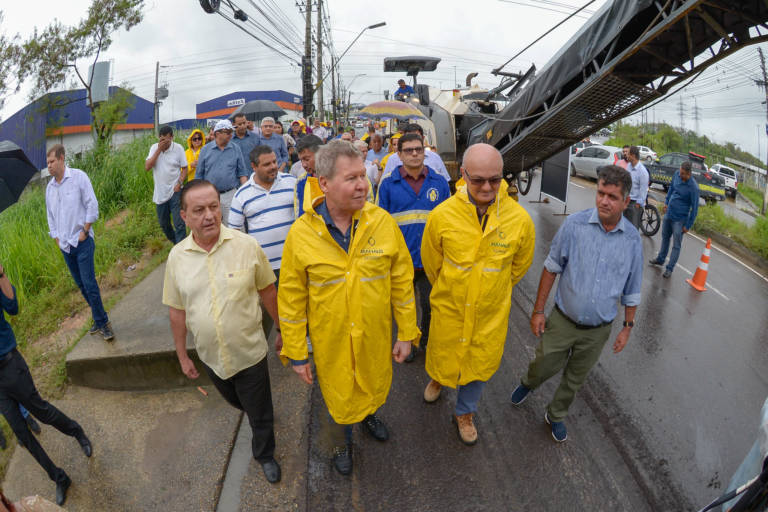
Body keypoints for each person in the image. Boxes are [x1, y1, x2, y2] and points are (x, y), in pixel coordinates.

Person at [278, 140, 420, 475]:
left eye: (362, 176)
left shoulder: (381, 223)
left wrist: (406, 332)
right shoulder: (302, 235)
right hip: (332, 342)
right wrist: (297, 352)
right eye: (351, 178)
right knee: (338, 393)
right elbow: (291, 299)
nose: (362, 184)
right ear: (324, 183)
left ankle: (369, 415)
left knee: (371, 381)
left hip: (373, 335)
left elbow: (401, 282)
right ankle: (342, 441)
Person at [510, 165, 642, 443]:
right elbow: (551, 267)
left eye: (613, 197)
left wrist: (627, 327)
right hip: (563, 320)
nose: (605, 201)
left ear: (625, 201)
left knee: (575, 379)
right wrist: (538, 311)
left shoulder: (632, 240)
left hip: (598, 331)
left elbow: (632, 289)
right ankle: (528, 383)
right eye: (601, 193)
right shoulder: (575, 226)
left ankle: (555, 415)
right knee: (544, 363)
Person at [163, 179, 282, 484]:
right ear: (184, 216)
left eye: (214, 207)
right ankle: (259, 415)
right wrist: (182, 356)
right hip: (211, 357)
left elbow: (268, 290)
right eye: (199, 210)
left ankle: (265, 453)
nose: (209, 216)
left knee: (259, 411)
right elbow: (177, 311)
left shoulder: (246, 246)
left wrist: (284, 330)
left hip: (250, 352)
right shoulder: (177, 258)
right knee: (236, 401)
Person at [420, 144, 535, 445]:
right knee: (443, 352)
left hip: (489, 312)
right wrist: (452, 287)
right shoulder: (442, 216)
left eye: (495, 180)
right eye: (478, 180)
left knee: (478, 363)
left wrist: (491, 290)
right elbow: (432, 265)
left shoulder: (519, 220)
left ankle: (465, 412)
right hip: (450, 307)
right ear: (463, 175)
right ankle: (438, 378)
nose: (487, 187)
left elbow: (519, 266)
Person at [0, 262, 92, 505]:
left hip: (10, 366)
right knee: (22, 433)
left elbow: (12, 307)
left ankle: (77, 431)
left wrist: (0, 274)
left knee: (41, 411)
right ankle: (59, 477)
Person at [376, 133, 451, 363]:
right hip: (401, 260)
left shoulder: (438, 183)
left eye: (419, 149)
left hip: (431, 260)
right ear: (399, 155)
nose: (415, 153)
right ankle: (406, 338)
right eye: (408, 150)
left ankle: (425, 342)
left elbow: (449, 222)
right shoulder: (388, 185)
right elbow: (381, 224)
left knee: (430, 305)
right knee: (402, 305)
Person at [45, 145, 113, 341]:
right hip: (66, 246)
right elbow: (50, 216)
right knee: (81, 285)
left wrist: (85, 230)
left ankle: (104, 323)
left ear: (62, 158)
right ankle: (98, 318)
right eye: (47, 163)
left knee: (90, 284)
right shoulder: (49, 188)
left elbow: (92, 204)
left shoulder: (78, 177)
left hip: (82, 241)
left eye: (52, 162)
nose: (49, 166)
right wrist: (57, 238)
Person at [229, 145, 297, 283]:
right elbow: (234, 233)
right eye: (267, 164)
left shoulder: (292, 183)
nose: (273, 166)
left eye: (274, 162)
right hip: (264, 268)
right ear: (254, 166)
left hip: (294, 262)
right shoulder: (242, 195)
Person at [649, 160, 699, 278]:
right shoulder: (677, 174)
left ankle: (669, 269)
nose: (680, 175)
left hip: (680, 220)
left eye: (683, 174)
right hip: (669, 214)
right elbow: (671, 189)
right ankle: (660, 259)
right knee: (665, 237)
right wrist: (666, 202)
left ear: (689, 174)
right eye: (680, 172)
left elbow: (695, 209)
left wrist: (688, 225)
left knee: (676, 245)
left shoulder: (693, 188)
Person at [195, 119, 249, 226]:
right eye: (228, 132)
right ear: (217, 133)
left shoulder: (235, 149)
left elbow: (242, 173)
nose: (231, 135)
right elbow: (199, 175)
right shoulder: (205, 150)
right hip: (210, 195)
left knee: (234, 226)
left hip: (230, 195)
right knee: (213, 225)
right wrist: (198, 195)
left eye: (231, 132)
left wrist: (245, 192)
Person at [145, 125, 188, 245]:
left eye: (167, 140)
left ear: (172, 138)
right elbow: (147, 167)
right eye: (162, 139)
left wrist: (179, 183)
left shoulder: (178, 148)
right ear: (159, 138)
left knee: (179, 223)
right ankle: (177, 243)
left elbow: (184, 168)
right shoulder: (154, 148)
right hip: (160, 193)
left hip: (175, 191)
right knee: (164, 224)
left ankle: (182, 250)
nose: (164, 142)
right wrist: (159, 150)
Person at [382, 124, 450, 182]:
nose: (413, 142)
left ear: (423, 138)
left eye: (417, 137)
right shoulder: (393, 159)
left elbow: (445, 181)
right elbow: (385, 182)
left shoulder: (434, 157)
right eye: (409, 138)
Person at [293, 135, 323, 216]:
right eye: (301, 160)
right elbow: (300, 215)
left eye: (307, 159)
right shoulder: (301, 182)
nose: (304, 165)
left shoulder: (338, 176)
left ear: (321, 154)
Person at [624, 145, 649, 229]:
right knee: (624, 227)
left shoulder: (643, 172)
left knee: (633, 229)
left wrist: (638, 204)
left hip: (635, 204)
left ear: (633, 156)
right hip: (626, 201)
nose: (626, 155)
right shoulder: (628, 166)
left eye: (628, 154)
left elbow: (643, 190)